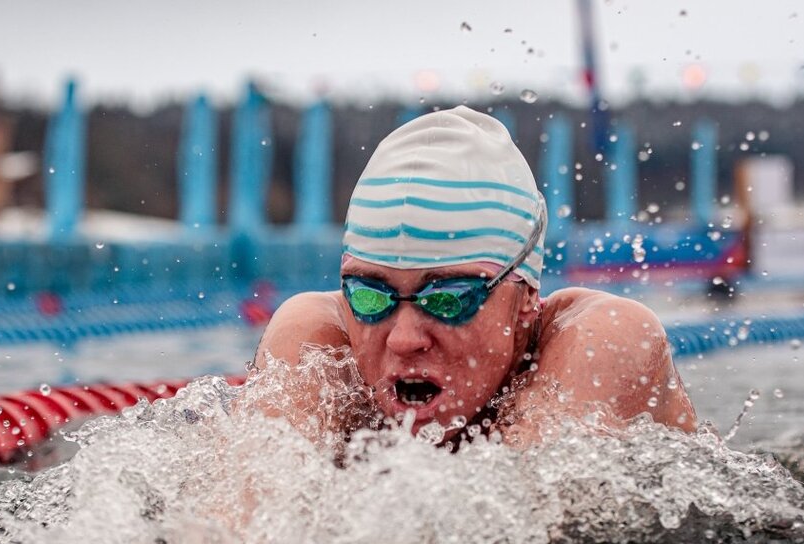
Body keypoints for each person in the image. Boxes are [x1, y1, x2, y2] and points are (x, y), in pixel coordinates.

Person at [252, 106, 694, 444]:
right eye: (371, 296)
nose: (404, 339)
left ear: (526, 297)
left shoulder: (602, 338)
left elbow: (529, 538)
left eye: (448, 299)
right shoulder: (315, 338)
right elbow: (239, 538)